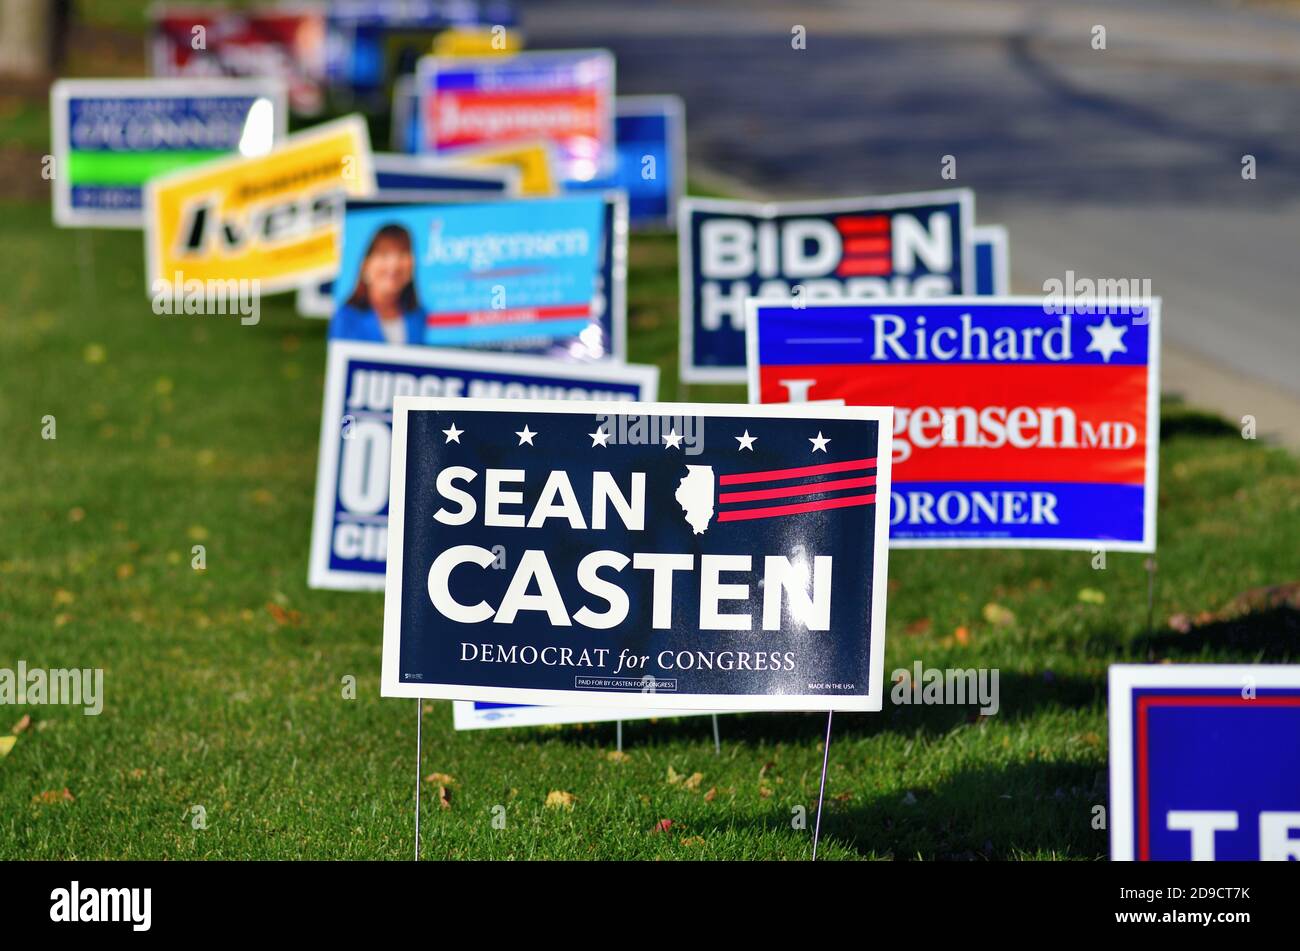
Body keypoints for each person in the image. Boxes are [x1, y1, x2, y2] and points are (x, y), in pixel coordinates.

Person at [330, 224, 425, 345]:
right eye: (384, 254)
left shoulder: (418, 316)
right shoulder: (346, 318)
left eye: (402, 254)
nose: (394, 264)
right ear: (365, 266)